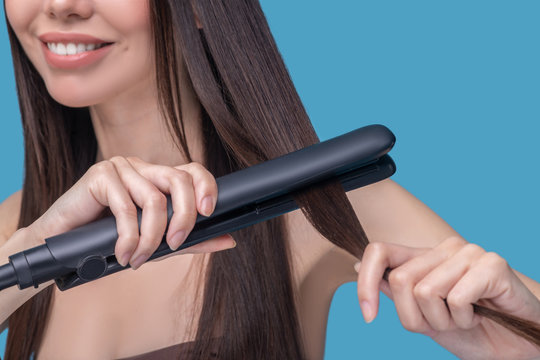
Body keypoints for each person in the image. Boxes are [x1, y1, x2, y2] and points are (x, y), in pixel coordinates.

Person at [0, 1, 538, 359]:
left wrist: (515, 343)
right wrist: (26, 253)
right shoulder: (13, 230)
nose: (59, 6)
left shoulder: (313, 205)